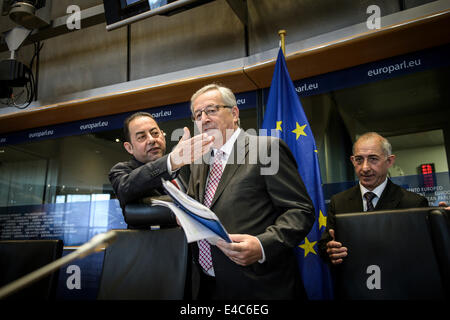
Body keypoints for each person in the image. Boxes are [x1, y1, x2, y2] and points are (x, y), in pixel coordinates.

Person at [186, 83, 315, 300]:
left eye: (211, 110)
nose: (204, 119)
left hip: (260, 285)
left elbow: (301, 210)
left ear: (234, 113)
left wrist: (263, 245)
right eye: (197, 115)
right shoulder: (199, 161)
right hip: (208, 284)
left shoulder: (267, 148)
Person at [318, 132, 429, 265]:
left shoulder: (413, 203)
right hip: (354, 282)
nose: (365, 168)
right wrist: (331, 251)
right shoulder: (338, 201)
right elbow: (325, 247)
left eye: (373, 159)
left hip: (396, 282)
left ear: (389, 161)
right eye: (359, 159)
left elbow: (422, 254)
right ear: (353, 161)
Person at [109, 111, 213, 211]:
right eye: (141, 137)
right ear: (129, 148)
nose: (151, 140)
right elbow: (125, 188)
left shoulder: (181, 167)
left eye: (155, 133)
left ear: (163, 136)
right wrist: (172, 161)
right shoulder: (121, 171)